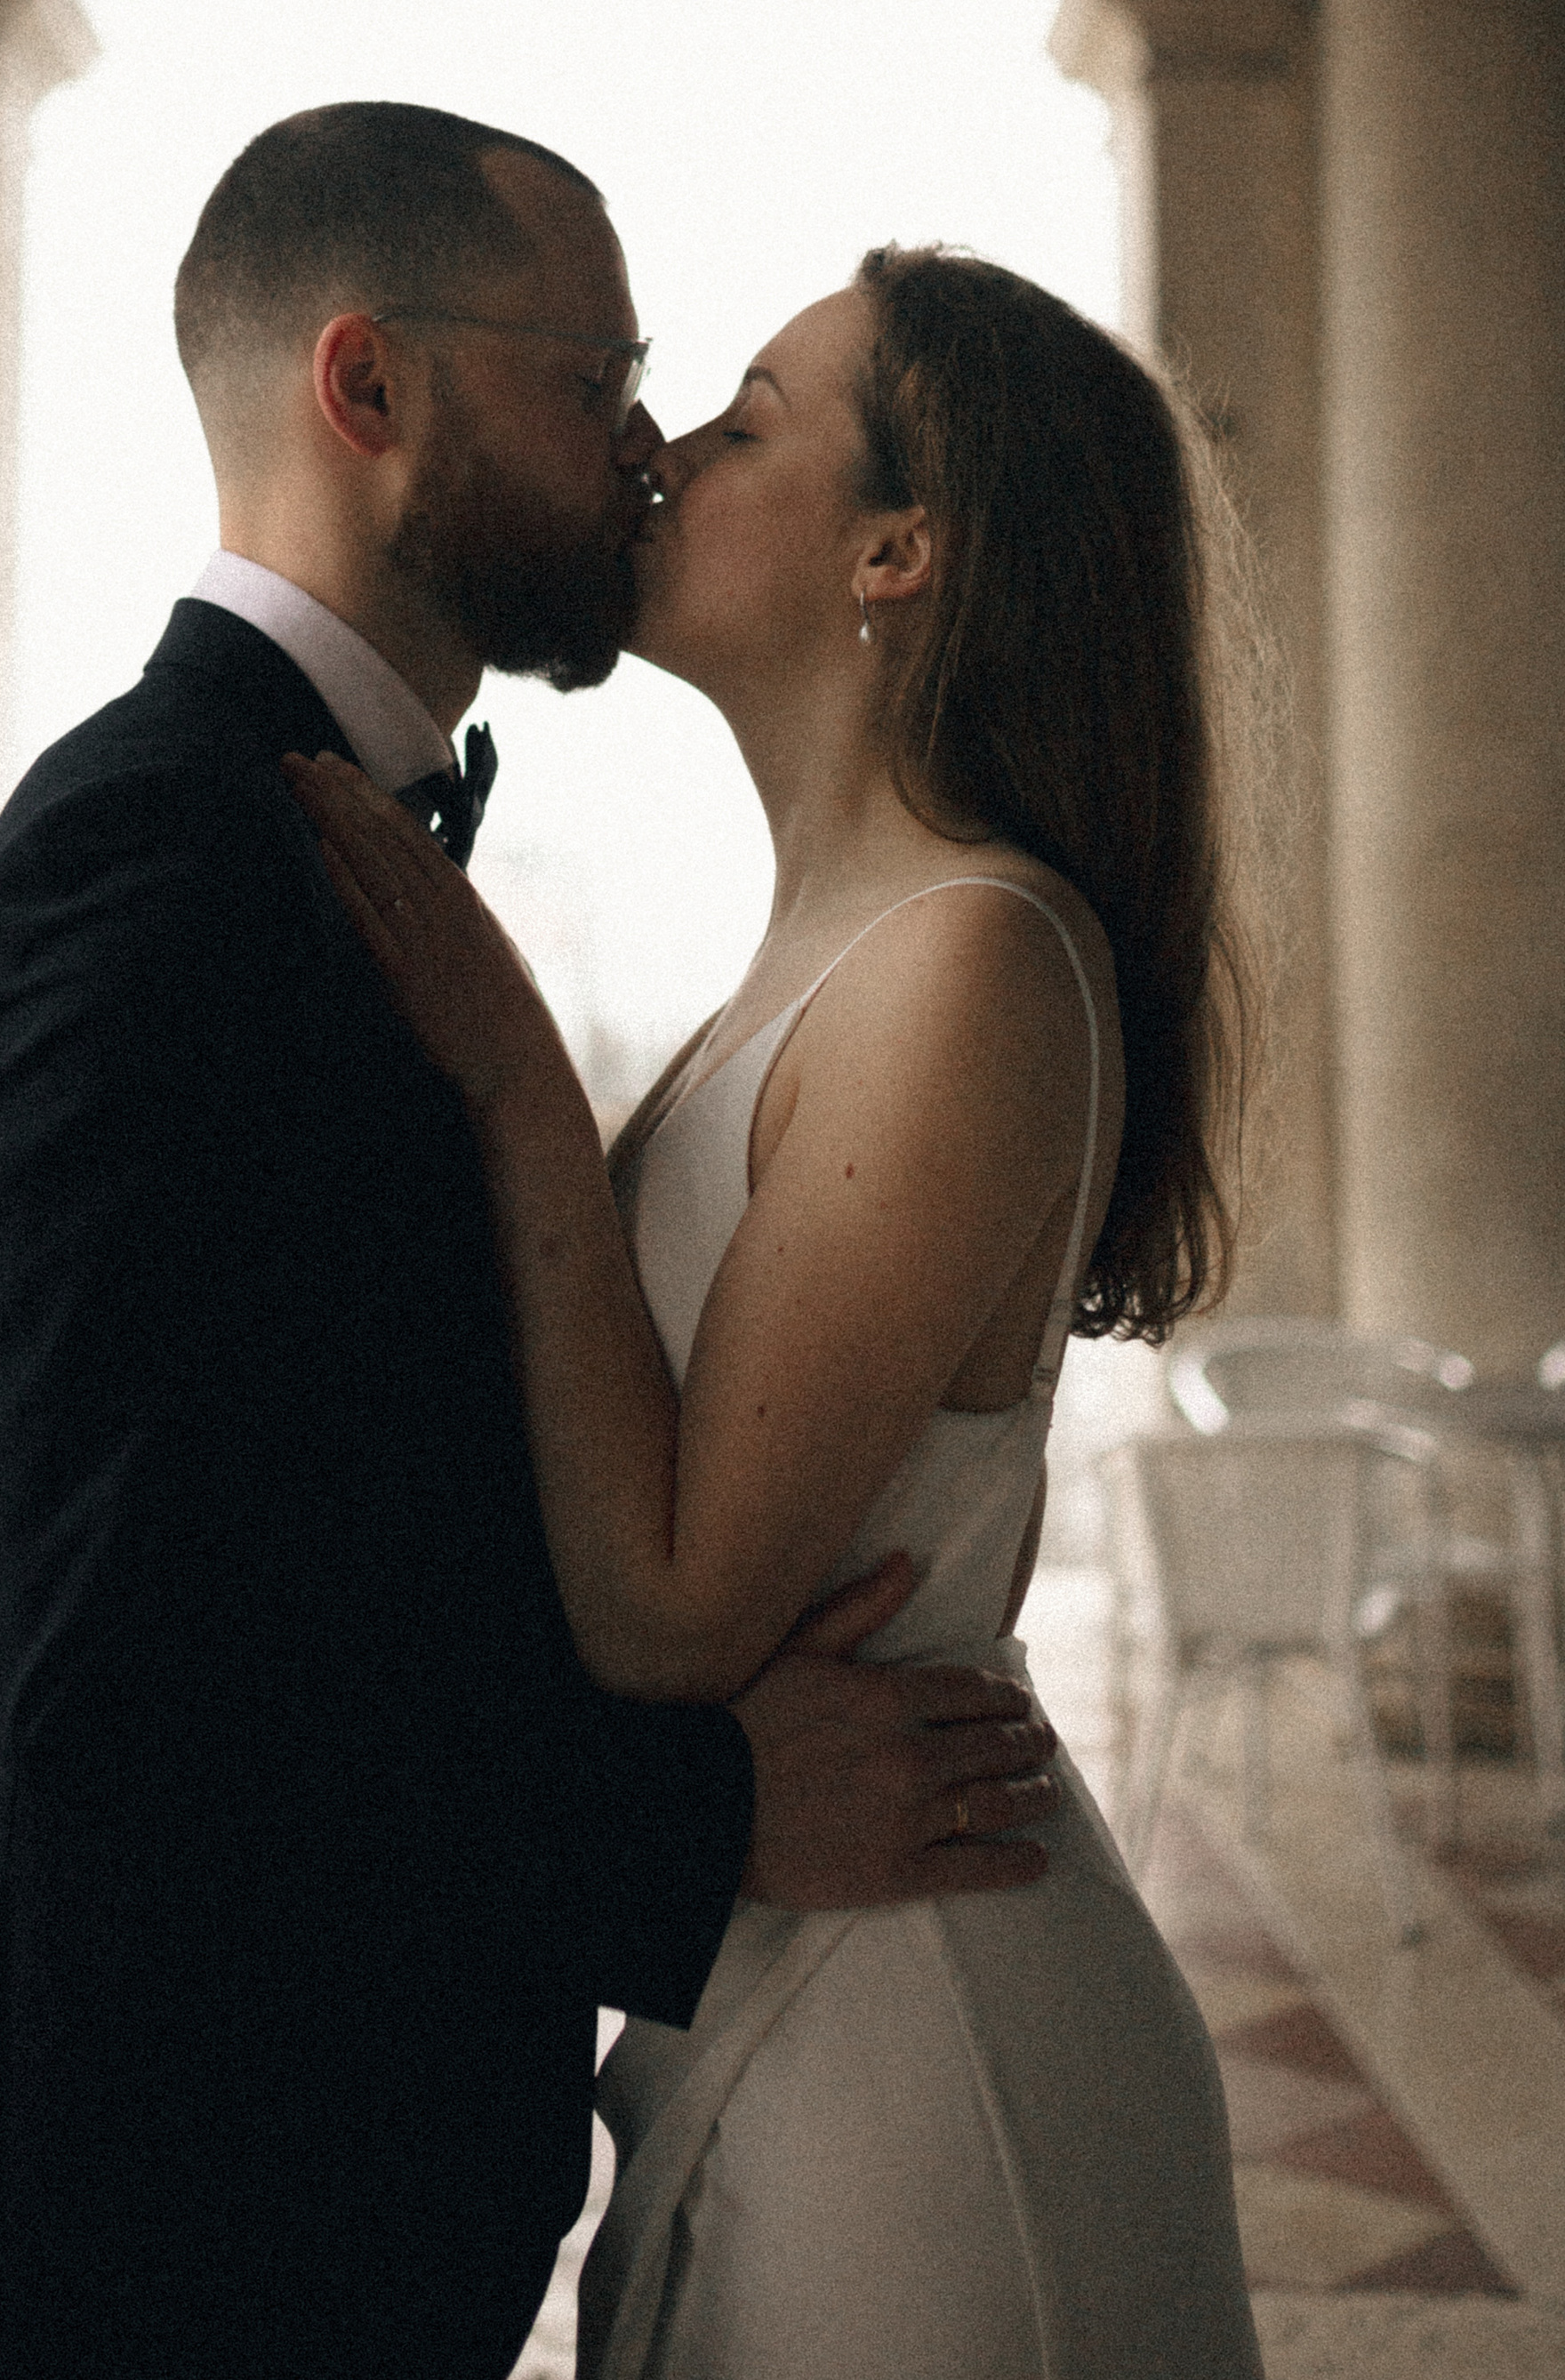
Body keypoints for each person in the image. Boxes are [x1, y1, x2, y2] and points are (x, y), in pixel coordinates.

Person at [0, 113, 1067, 2380]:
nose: (641, 447)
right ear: (371, 389)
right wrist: (688, 1816)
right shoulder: (140, 859)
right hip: (171, 2212)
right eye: (601, 373)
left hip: (350, 2163)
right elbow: (108, 1680)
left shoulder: (336, 846)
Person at [292, 243, 1265, 2380]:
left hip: (930, 2045)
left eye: (741, 421)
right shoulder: (831, 947)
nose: (659, 451)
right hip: (789, 1966)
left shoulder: (971, 957)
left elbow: (667, 1609)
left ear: (895, 547)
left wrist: (514, 1074)